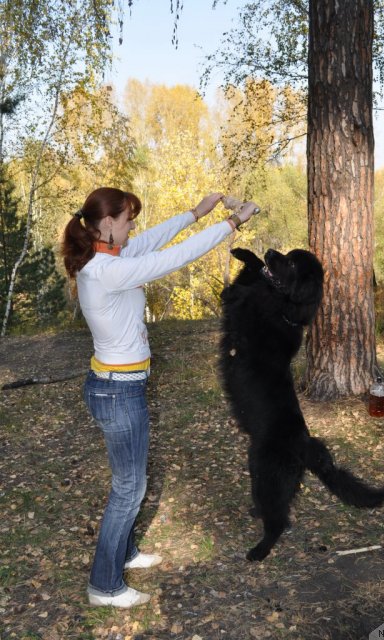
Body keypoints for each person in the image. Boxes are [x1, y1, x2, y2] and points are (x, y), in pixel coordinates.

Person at [61, 187, 259, 608]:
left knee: (131, 483)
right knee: (129, 488)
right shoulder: (105, 272)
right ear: (109, 223)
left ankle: (125, 553)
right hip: (118, 391)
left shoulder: (110, 258)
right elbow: (172, 258)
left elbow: (152, 242)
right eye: (128, 219)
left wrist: (195, 213)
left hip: (117, 386)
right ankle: (105, 585)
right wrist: (231, 223)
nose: (134, 227)